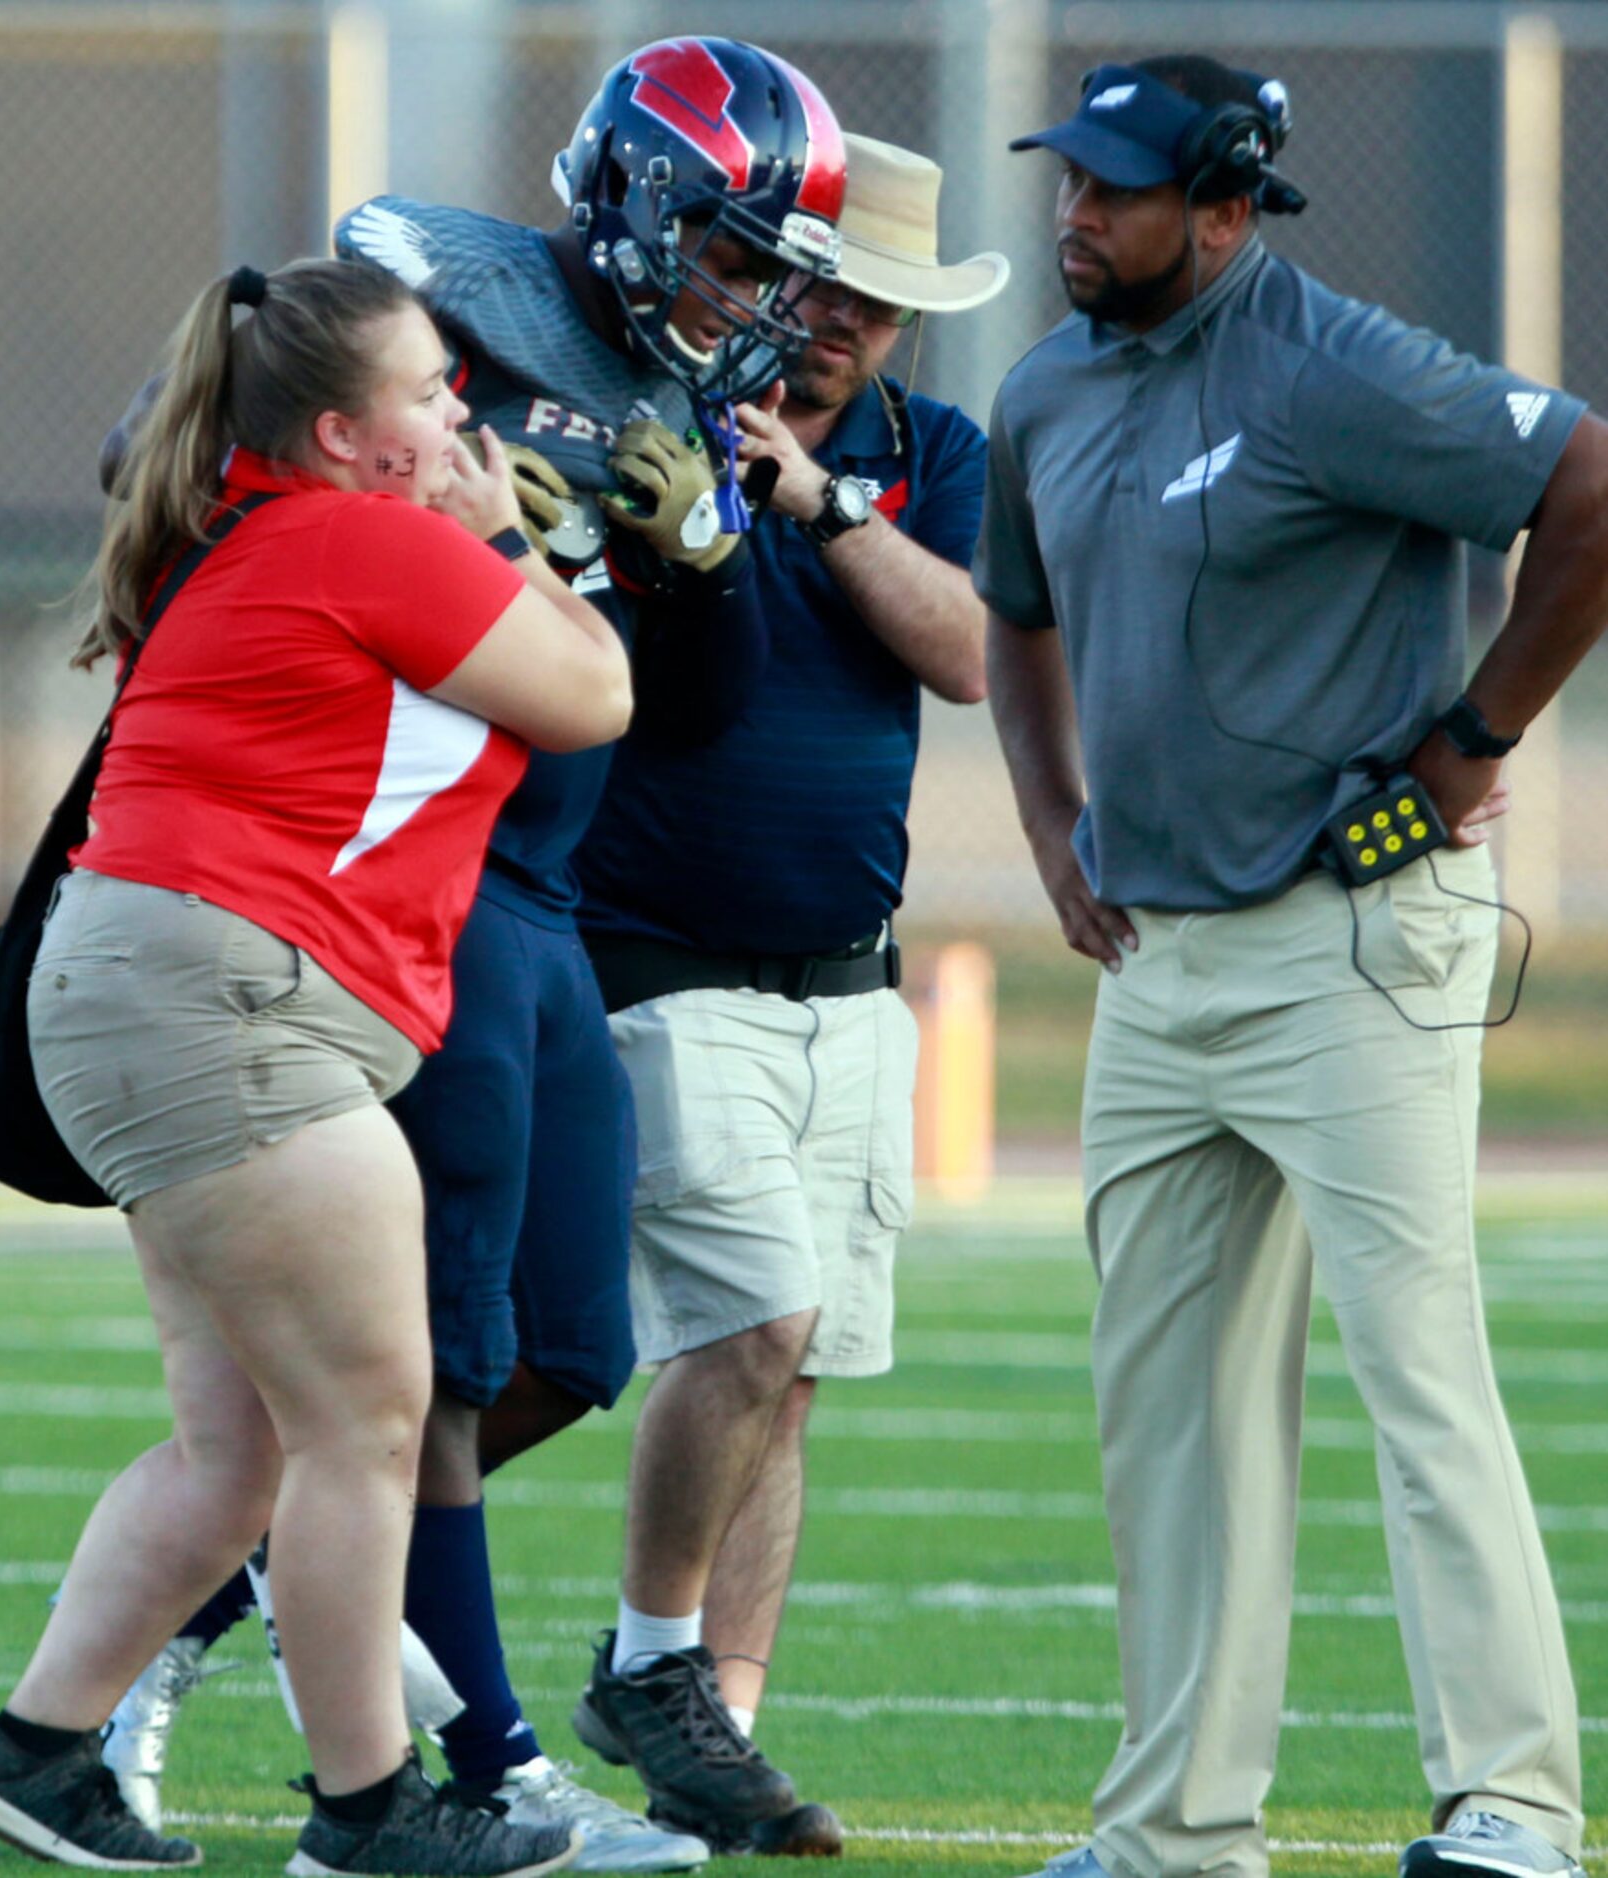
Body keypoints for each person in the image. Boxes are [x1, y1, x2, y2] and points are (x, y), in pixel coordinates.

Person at [96, 38, 848, 1872]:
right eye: (731, 255)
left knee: (569, 1346)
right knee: (421, 1368)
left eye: (772, 271)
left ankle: (225, 1607)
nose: (746, 301)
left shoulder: (676, 400)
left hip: (537, 905)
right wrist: (460, 499)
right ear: (635, 205)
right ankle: (475, 1761)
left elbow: (687, 715)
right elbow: (167, 465)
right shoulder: (433, 316)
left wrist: (701, 557)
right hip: (389, 893)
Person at [0, 254, 631, 1876]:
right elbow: (596, 692)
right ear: (339, 433)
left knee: (239, 1449)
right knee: (366, 1425)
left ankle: (34, 1747)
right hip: (226, 998)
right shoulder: (366, 536)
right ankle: (370, 1809)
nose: (460, 416)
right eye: (427, 397)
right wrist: (502, 528)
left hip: (163, 984)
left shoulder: (266, 523)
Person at [977, 55, 1608, 1878]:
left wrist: (1473, 742)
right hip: (1154, 972)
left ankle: (1509, 1802)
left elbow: (1586, 480)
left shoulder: (1334, 364)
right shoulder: (1042, 388)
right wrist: (1048, 828)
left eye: (1115, 190)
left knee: (1418, 1369)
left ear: (1230, 211)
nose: (1075, 215)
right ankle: (1176, 1830)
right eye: (1069, 183)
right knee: (1161, 1416)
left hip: (1350, 945)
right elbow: (1014, 617)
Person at [567, 134, 1007, 1857]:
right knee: (744, 1327)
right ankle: (648, 1659)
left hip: (851, 973)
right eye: (814, 280)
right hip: (660, 953)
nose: (837, 323)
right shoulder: (636, 411)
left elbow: (967, 651)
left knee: (792, 1370)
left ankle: (713, 1742)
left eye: (877, 302)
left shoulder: (927, 449)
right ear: (747, 263)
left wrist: (817, 502)